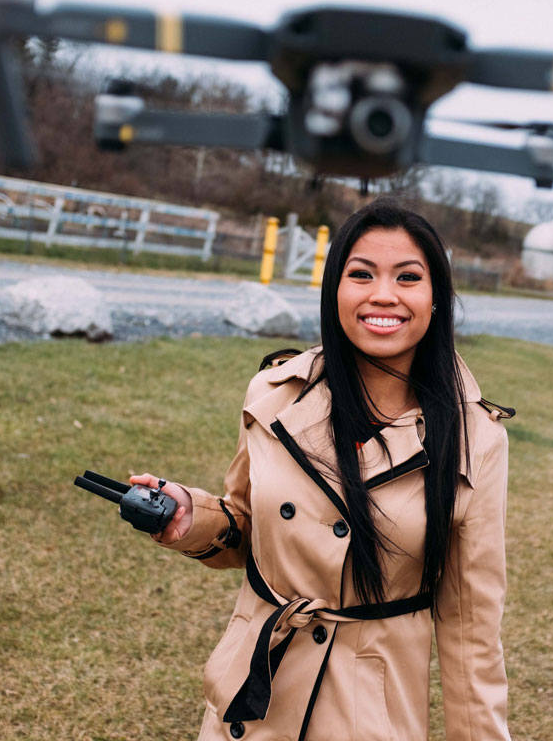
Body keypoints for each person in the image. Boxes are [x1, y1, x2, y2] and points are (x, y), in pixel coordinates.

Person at [131, 196, 513, 741]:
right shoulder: (274, 393)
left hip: (367, 715)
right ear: (334, 290)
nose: (384, 294)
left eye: (408, 277)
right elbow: (245, 526)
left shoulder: (476, 438)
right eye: (361, 274)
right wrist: (194, 518)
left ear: (435, 301)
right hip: (253, 697)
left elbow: (470, 628)